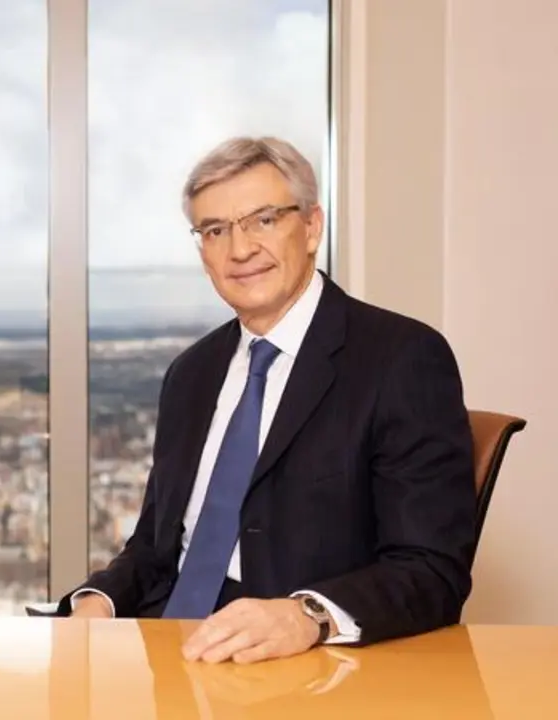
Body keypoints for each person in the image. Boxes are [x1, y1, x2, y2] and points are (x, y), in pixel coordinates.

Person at [60, 136, 477, 664]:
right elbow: (156, 547)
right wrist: (98, 601)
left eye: (263, 220)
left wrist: (308, 615)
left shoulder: (401, 358)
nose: (239, 250)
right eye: (215, 230)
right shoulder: (190, 374)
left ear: (312, 227)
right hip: (167, 652)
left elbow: (432, 569)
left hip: (302, 665)